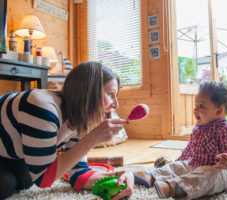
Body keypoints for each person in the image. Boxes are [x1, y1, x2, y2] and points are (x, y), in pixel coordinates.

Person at [0, 61, 134, 200]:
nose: (116, 104)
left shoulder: (78, 118)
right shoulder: (43, 108)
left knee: (26, 179)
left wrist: (120, 175)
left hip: (9, 153)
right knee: (6, 184)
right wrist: (92, 138)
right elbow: (44, 180)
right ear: (89, 92)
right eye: (110, 94)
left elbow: (79, 174)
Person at [134, 81, 227, 199]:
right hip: (195, 165)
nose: (196, 110)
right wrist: (177, 161)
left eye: (201, 106)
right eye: (195, 106)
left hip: (221, 172)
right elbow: (189, 150)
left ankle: (175, 187)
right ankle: (152, 176)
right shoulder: (198, 128)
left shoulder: (225, 128)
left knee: (208, 175)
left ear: (219, 111)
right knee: (178, 166)